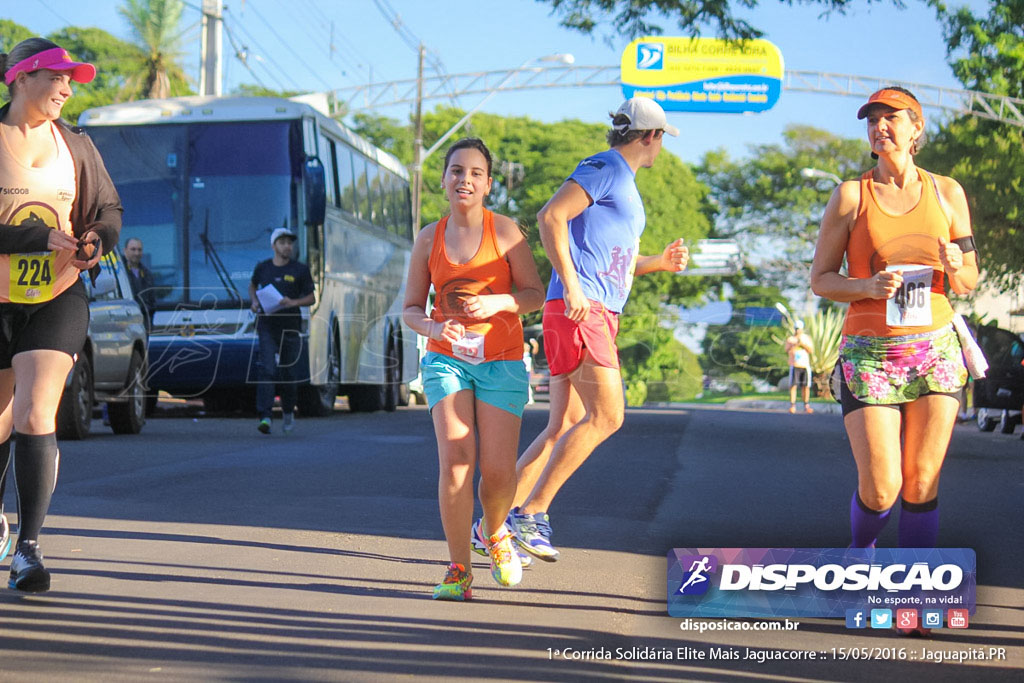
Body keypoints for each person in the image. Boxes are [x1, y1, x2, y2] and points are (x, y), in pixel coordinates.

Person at [509, 97, 689, 562]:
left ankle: (495, 522)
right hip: (581, 310)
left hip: (591, 308)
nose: (662, 146)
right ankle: (532, 515)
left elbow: (614, 261)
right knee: (608, 416)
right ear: (651, 136)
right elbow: (551, 216)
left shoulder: (621, 180)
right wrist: (570, 286)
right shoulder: (605, 167)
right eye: (662, 138)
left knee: (563, 425)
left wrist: (658, 263)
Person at [809, 87, 978, 564]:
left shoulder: (947, 192)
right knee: (883, 488)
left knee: (923, 480)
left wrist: (954, 262)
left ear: (916, 127)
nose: (880, 126)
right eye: (872, 120)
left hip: (935, 349)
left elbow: (967, 279)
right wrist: (867, 288)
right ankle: (860, 553)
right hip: (870, 353)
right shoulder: (850, 196)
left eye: (891, 118)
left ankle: (913, 592)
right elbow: (821, 280)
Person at [0, 38, 120, 592]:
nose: (68, 89)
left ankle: (29, 547)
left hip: (56, 296)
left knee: (34, 413)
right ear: (22, 77)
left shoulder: (76, 144)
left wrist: (95, 239)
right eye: (58, 77)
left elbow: (108, 210)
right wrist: (33, 236)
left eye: (73, 80)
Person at [402, 138, 544, 600]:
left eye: (476, 173)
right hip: (446, 360)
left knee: (499, 472)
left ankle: (496, 530)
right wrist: (433, 329)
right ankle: (459, 569)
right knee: (457, 459)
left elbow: (534, 294)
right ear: (443, 179)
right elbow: (409, 309)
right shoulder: (429, 237)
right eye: (457, 171)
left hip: (501, 362)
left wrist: (498, 301)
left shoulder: (505, 232)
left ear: (487, 184)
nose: (465, 179)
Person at [248, 227, 315, 434]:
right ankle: (266, 416)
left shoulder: (300, 270)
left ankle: (288, 411)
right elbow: (252, 285)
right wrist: (254, 301)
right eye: (283, 242)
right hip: (267, 326)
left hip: (290, 328)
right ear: (273, 246)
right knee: (267, 370)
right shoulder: (264, 268)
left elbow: (311, 298)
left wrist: (292, 302)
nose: (287, 246)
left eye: (290, 243)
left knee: (288, 373)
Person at [122, 237, 155, 330]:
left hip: (143, 326)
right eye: (133, 249)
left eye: (139, 250)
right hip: (125, 326)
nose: (136, 253)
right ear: (125, 250)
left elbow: (152, 302)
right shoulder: (120, 273)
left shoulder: (147, 274)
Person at [785, 320, 814, 414]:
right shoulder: (790, 339)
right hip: (794, 365)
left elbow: (811, 350)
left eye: (799, 329)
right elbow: (786, 350)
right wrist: (794, 345)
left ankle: (806, 405)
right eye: (796, 329)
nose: (798, 331)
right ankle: (792, 405)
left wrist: (802, 344)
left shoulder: (806, 338)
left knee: (805, 386)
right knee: (793, 386)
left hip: (805, 365)